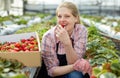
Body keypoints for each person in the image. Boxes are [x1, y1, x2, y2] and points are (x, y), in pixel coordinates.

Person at [41, 1, 92, 78]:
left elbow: (74, 62)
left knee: (75, 75)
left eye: (67, 16)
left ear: (76, 18)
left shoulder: (81, 31)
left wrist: (67, 43)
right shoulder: (48, 37)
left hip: (72, 72)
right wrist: (76, 65)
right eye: (59, 16)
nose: (62, 20)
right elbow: (52, 71)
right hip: (55, 74)